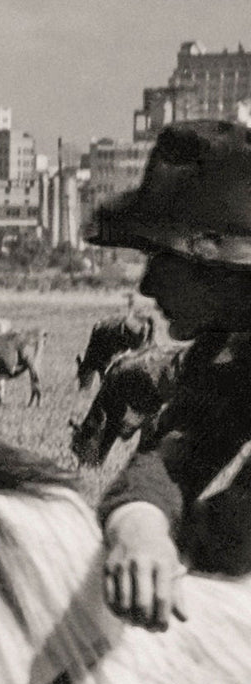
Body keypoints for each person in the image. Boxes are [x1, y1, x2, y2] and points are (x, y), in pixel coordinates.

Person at [88, 119, 251, 630]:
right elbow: (176, 453)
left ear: (216, 261)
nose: (149, 286)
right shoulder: (231, 349)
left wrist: (193, 544)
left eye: (163, 258)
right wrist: (140, 526)